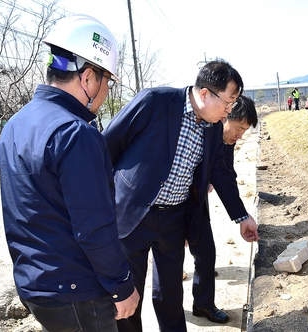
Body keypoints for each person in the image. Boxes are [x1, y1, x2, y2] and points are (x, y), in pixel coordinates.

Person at [0, 14, 139, 332]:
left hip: (36, 286)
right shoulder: (75, 133)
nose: (105, 94)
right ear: (89, 78)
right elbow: (93, 227)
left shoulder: (14, 126)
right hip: (76, 292)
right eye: (107, 82)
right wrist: (121, 285)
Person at [102, 59, 259, 332]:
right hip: (133, 215)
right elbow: (107, 146)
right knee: (129, 298)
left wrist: (242, 216)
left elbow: (219, 173)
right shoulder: (155, 102)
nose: (229, 110)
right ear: (205, 94)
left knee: (170, 295)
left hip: (173, 219)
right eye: (228, 102)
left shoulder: (212, 127)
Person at [188, 95, 258, 324]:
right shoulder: (203, 131)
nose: (240, 135)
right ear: (225, 117)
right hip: (172, 200)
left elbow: (226, 175)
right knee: (168, 259)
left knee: (206, 252)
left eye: (244, 131)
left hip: (196, 201)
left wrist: (242, 216)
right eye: (239, 128)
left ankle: (203, 304)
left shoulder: (227, 141)